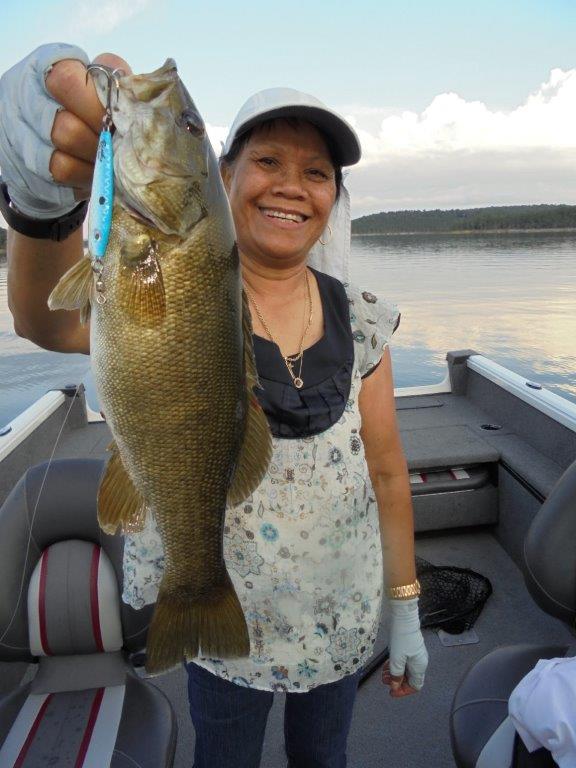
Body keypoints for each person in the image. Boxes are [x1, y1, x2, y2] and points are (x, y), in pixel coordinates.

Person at [1, 44, 429, 768]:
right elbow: (43, 322)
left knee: (324, 755)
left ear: (333, 199)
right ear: (223, 177)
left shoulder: (364, 319)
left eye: (316, 172)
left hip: (339, 611)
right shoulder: (143, 263)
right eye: (267, 161)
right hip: (230, 619)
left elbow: (387, 474)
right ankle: (197, 603)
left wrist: (406, 602)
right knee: (224, 752)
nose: (292, 185)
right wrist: (39, 208)